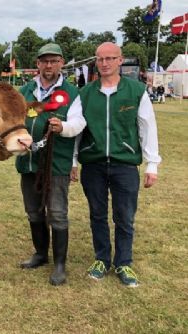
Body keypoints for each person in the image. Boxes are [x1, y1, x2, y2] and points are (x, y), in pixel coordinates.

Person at [77, 42, 161, 287]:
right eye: (100, 59)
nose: (105, 63)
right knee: (97, 215)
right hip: (93, 164)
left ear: (120, 60)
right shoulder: (85, 93)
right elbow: (77, 131)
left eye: (110, 58)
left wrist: (152, 164)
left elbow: (147, 128)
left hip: (125, 164)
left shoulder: (136, 91)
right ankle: (101, 258)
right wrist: (73, 161)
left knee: (124, 216)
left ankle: (124, 262)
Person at [16, 43, 85, 285]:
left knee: (57, 213)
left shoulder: (72, 93)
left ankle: (59, 264)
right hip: (29, 163)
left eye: (54, 61)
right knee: (33, 211)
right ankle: (40, 254)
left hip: (57, 163)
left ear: (61, 63)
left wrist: (63, 127)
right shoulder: (24, 91)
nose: (49, 65)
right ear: (37, 64)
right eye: (44, 61)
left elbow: (78, 124)